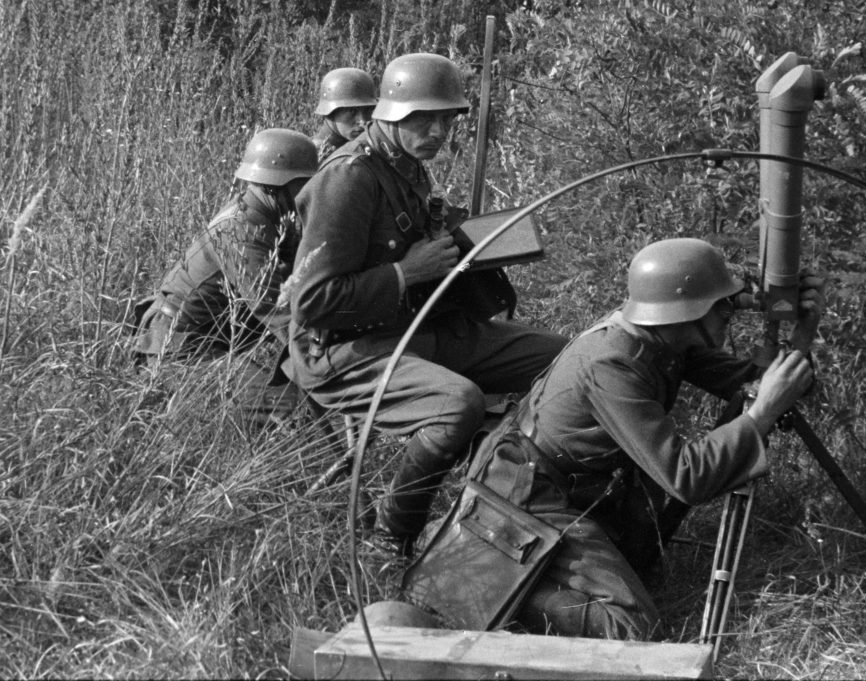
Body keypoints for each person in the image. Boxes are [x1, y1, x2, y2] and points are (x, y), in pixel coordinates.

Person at [406, 237, 819, 640]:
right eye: (720, 304)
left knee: (641, 563)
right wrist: (761, 414)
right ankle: (489, 584)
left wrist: (802, 333)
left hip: (578, 486)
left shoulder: (665, 336)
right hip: (527, 493)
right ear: (685, 311)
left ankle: (516, 561)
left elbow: (759, 385)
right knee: (632, 627)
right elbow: (686, 477)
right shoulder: (612, 363)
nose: (731, 312)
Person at [287, 52, 569, 554]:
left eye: (447, 119)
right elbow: (313, 302)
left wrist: (475, 241)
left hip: (417, 328)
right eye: (424, 119)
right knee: (456, 405)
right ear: (392, 113)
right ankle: (389, 541)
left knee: (564, 361)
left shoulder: (406, 165)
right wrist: (405, 272)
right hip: (345, 350)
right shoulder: (348, 177)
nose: (438, 131)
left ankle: (533, 498)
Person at [135, 128, 319, 422]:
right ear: (276, 185)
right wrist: (326, 354)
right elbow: (275, 310)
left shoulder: (264, 214)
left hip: (204, 340)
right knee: (286, 404)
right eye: (303, 184)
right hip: (180, 349)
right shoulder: (243, 230)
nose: (311, 192)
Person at [311, 67, 378, 164]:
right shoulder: (318, 155)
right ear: (330, 112)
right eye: (351, 111)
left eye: (368, 110)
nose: (363, 121)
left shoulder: (360, 147)